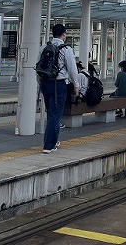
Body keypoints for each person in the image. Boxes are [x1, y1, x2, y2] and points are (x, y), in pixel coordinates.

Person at [39, 23, 79, 154]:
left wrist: (39, 83)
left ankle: (53, 140)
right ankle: (49, 145)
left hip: (45, 83)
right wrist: (76, 86)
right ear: (64, 34)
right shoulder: (66, 49)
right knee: (55, 115)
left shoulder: (44, 47)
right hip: (59, 84)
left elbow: (38, 67)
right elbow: (73, 70)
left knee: (51, 113)